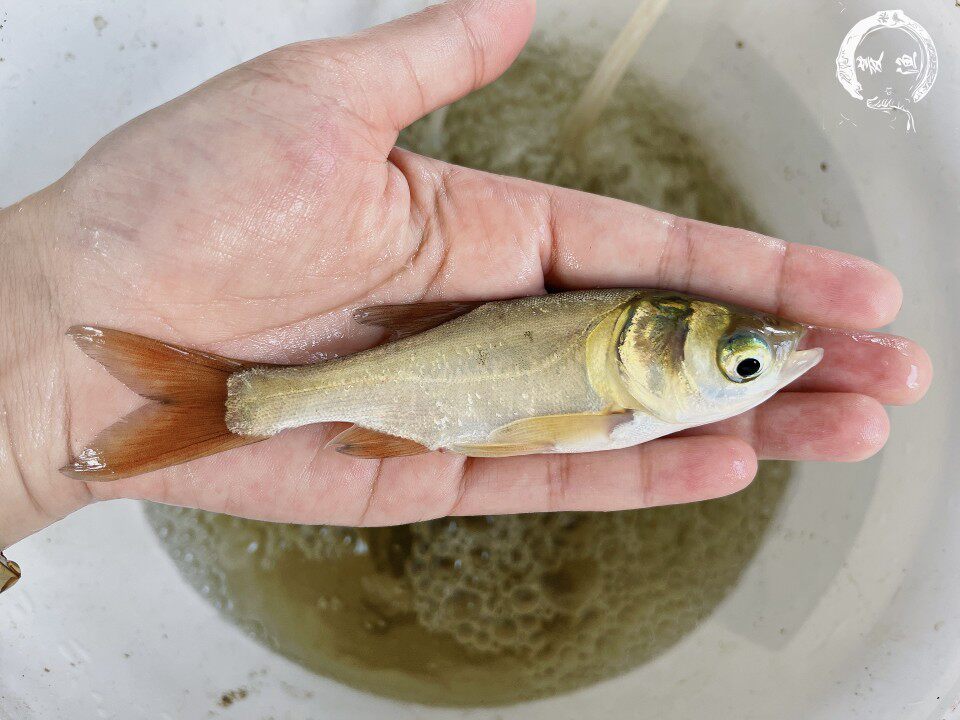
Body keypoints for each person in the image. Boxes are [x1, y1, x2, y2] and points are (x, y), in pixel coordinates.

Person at [0, 0, 930, 559]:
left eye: (743, 366)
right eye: (739, 366)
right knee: (252, 402)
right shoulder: (628, 394)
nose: (756, 368)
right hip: (400, 388)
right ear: (655, 354)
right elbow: (548, 431)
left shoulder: (638, 387)